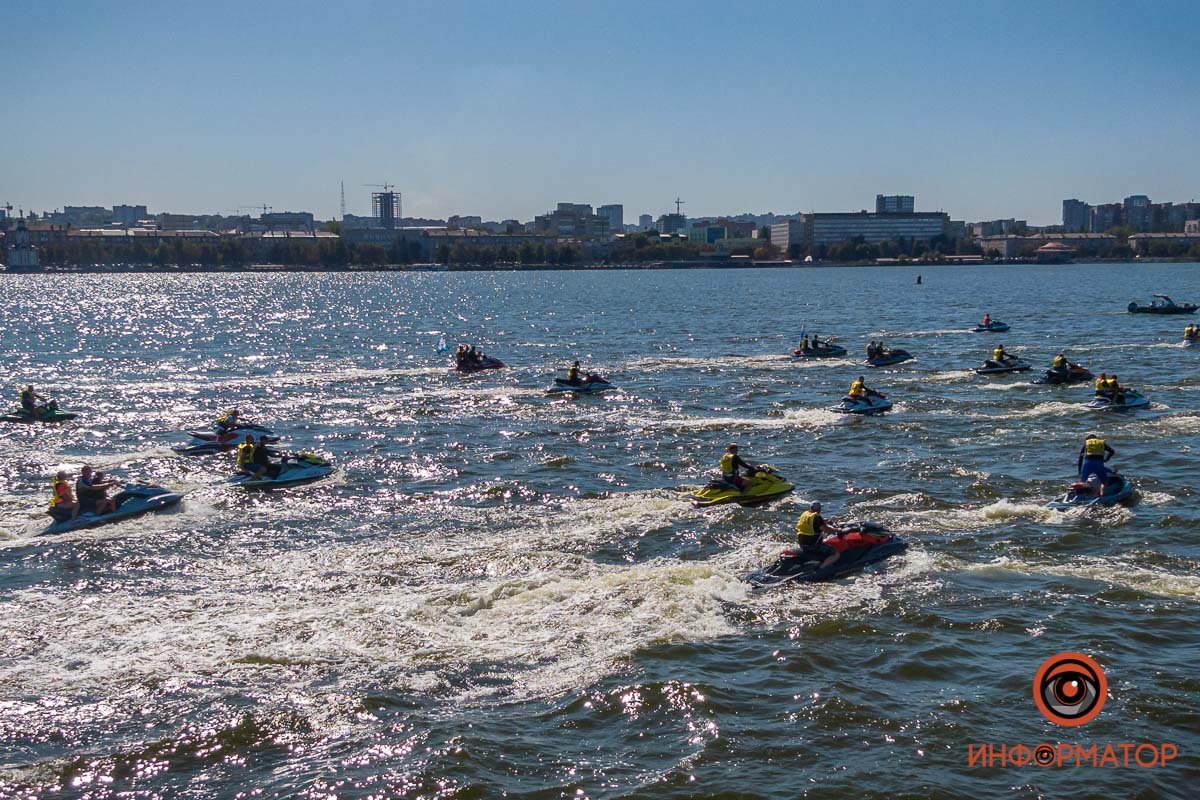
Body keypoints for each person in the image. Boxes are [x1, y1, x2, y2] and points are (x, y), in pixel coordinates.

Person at [796, 502, 846, 567]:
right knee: (836, 554)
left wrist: (823, 521)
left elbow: (811, 523)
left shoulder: (805, 514)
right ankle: (822, 567)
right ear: (819, 509)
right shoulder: (817, 517)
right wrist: (837, 530)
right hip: (813, 545)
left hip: (802, 544)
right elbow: (826, 530)